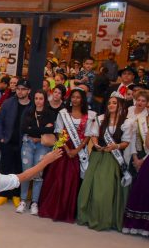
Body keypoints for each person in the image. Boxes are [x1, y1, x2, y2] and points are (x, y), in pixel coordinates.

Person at [38, 89, 96, 223]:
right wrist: (67, 149)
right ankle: (52, 208)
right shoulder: (63, 114)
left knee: (72, 180)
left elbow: (87, 136)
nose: (75, 100)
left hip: (78, 150)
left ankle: (66, 211)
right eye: (73, 97)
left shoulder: (88, 116)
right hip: (63, 147)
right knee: (57, 178)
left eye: (78, 97)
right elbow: (59, 132)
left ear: (82, 100)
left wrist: (76, 150)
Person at [77, 96, 133, 231]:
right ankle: (88, 215)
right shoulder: (100, 119)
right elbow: (94, 135)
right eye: (109, 103)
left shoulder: (127, 122)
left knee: (105, 190)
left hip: (113, 159)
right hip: (98, 156)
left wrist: (116, 146)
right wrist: (96, 144)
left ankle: (105, 219)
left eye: (114, 103)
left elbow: (126, 142)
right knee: (89, 187)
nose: (111, 105)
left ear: (121, 106)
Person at [0, 79, 32, 207]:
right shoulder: (8, 103)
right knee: (5, 168)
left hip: (24, 143)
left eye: (23, 89)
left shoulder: (32, 106)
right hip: (7, 141)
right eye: (18, 88)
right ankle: (4, 195)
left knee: (19, 169)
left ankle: (16, 195)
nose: (20, 91)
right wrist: (1, 137)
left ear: (28, 91)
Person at [17, 90, 55, 215]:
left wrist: (34, 130)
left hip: (43, 146)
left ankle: (34, 202)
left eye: (41, 98)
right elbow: (23, 128)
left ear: (45, 100)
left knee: (38, 174)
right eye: (36, 98)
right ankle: (23, 201)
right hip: (28, 144)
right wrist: (41, 129)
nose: (38, 101)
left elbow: (51, 129)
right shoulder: (28, 112)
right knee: (26, 173)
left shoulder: (49, 113)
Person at [123, 90, 149, 236]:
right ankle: (125, 217)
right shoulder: (129, 111)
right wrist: (134, 157)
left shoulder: (147, 117)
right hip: (128, 151)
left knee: (138, 188)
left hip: (143, 155)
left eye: (143, 101)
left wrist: (141, 160)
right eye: (138, 100)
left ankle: (138, 221)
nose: (140, 103)